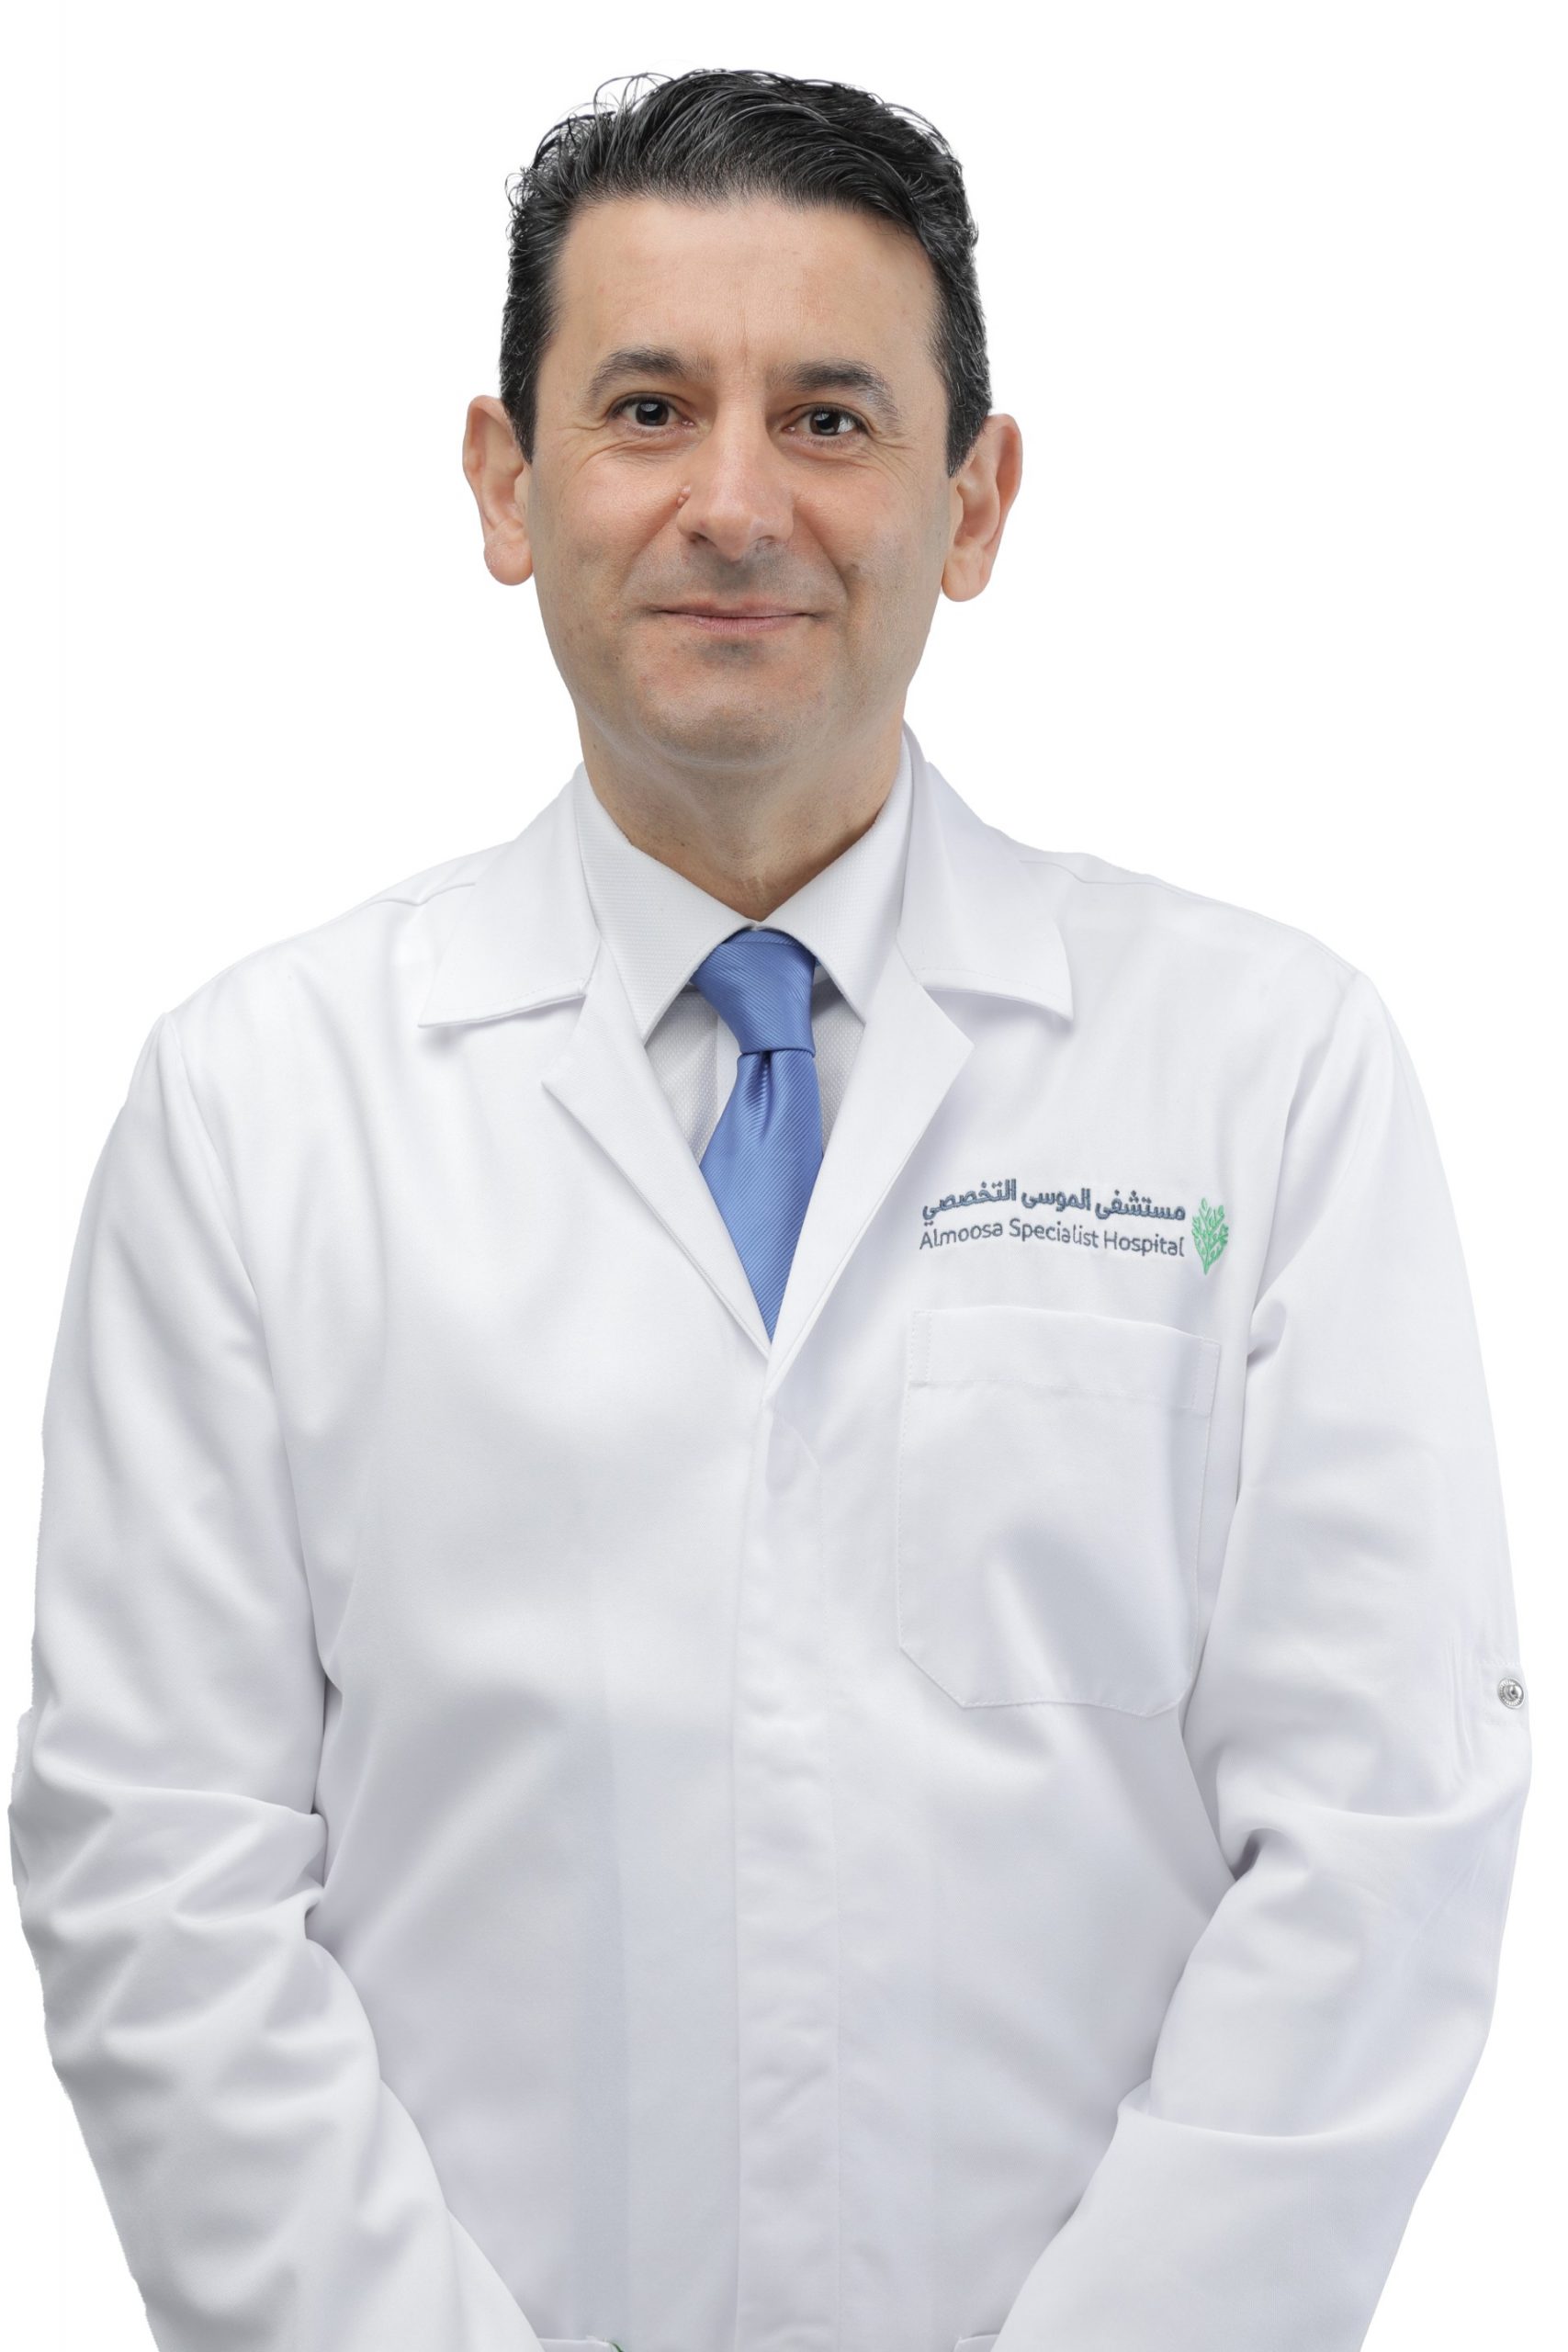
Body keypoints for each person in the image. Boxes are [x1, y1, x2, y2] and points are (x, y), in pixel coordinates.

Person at [9, 63, 1530, 2352]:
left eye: (827, 419)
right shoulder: (259, 1105)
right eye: (646, 409)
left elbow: (1381, 1827)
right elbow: (158, 1859)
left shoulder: (1261, 1071)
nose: (733, 503)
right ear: (505, 483)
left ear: (973, 500)